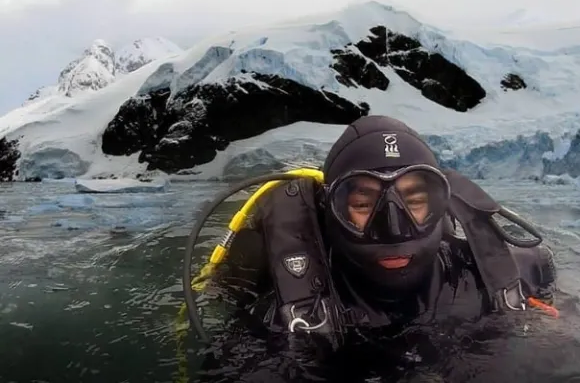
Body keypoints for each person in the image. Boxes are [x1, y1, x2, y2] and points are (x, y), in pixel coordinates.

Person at [197, 115, 557, 382]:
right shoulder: (285, 319)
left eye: (415, 199)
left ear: (440, 205)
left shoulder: (508, 281)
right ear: (330, 213)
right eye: (363, 203)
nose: (394, 226)